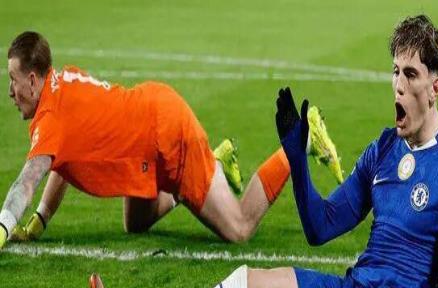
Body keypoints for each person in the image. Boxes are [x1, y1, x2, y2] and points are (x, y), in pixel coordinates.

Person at [91, 15, 438, 288]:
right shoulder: (384, 148)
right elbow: (321, 226)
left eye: (411, 74)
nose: (399, 85)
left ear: (434, 88)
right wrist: (297, 160)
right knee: (242, 286)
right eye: (395, 72)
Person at [0, 32, 343, 247]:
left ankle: (302, 138)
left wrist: (3, 227)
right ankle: (213, 164)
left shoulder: (52, 117)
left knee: (239, 228)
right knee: (135, 224)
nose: (10, 91)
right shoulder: (62, 80)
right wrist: (40, 220)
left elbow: (26, 182)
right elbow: (61, 160)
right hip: (147, 135)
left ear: (32, 80)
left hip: (167, 134)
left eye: (13, 80)